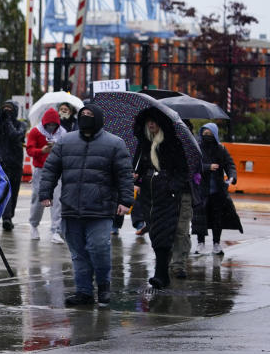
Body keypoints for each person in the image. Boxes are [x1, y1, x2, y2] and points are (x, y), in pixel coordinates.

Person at [39, 103, 133, 307]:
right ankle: (84, 292)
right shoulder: (66, 142)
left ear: (98, 119)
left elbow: (124, 175)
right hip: (72, 208)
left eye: (90, 115)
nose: (86, 118)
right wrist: (45, 193)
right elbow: (50, 169)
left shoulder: (115, 143)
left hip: (100, 209)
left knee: (99, 248)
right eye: (83, 114)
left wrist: (126, 201)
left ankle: (103, 287)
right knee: (78, 253)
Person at [132, 108, 190, 289]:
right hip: (149, 195)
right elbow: (138, 167)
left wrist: (171, 186)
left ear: (161, 123)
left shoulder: (172, 143)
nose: (151, 124)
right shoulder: (143, 144)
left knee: (165, 232)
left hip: (167, 194)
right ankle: (161, 273)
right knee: (155, 232)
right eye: (148, 121)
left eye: (154, 121)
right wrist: (137, 177)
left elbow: (182, 170)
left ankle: (161, 273)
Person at [194, 123, 239, 256]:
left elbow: (230, 165)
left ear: (215, 134)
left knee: (217, 218)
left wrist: (232, 177)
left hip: (218, 190)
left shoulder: (221, 149)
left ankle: (216, 244)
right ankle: (200, 243)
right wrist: (208, 167)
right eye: (204, 133)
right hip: (202, 189)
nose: (206, 136)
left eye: (209, 134)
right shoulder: (197, 148)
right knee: (200, 218)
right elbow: (194, 166)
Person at [0, 100, 26, 232]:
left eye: (10, 109)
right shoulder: (0, 124)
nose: (7, 111)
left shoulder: (21, 124)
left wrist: (8, 122)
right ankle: (6, 217)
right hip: (2, 162)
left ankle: (10, 216)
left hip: (16, 162)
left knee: (14, 191)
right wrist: (0, 120)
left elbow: (15, 136)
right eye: (5, 109)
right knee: (5, 189)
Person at [26, 108, 66, 243]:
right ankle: (34, 225)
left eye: (54, 125)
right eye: (49, 125)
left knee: (57, 199)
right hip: (40, 170)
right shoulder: (35, 131)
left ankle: (56, 230)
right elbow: (30, 150)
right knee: (38, 198)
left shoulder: (62, 133)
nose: (51, 127)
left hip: (57, 170)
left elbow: (67, 149)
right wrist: (41, 151)